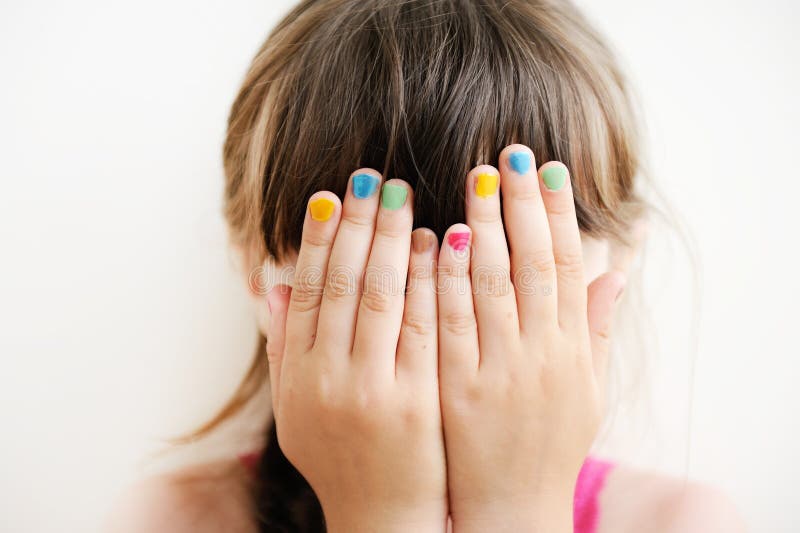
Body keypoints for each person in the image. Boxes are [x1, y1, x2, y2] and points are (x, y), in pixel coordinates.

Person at [107, 0, 745, 531]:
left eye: (515, 256)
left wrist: (514, 509)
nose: (443, 314)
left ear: (620, 261)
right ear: (256, 271)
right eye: (366, 266)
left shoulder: (684, 522)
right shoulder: (173, 519)